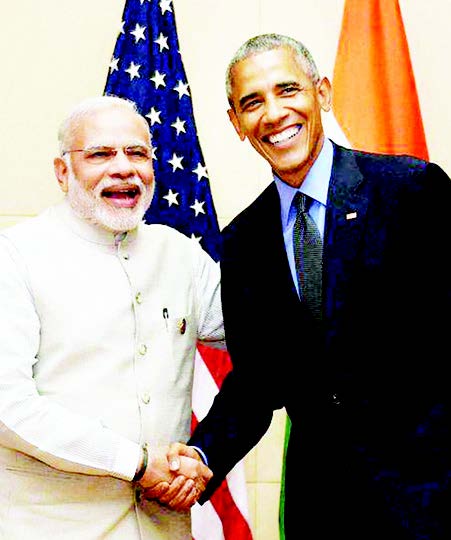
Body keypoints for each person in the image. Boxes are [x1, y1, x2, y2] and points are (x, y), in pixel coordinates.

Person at [162, 33, 451, 538]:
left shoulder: (410, 190)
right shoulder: (243, 240)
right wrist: (204, 456)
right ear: (236, 123)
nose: (273, 113)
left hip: (430, 497)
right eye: (253, 102)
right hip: (321, 509)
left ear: (322, 93)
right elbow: (256, 381)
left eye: (287, 90)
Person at [0, 95, 223, 539]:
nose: (123, 168)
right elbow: (8, 406)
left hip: (165, 526)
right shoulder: (16, 256)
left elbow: (265, 342)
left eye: (137, 153)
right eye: (100, 154)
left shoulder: (179, 253)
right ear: (63, 172)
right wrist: (134, 463)